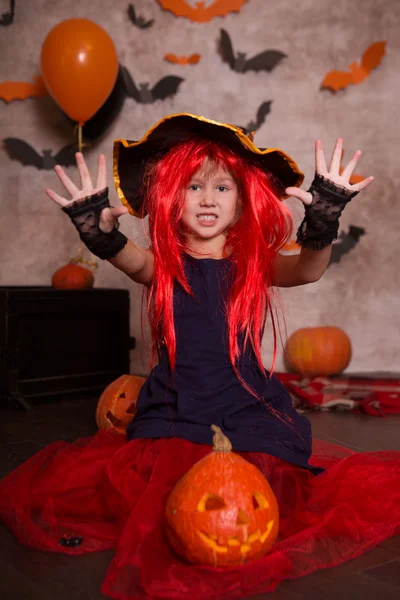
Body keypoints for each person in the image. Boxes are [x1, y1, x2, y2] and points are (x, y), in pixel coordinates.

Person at [0, 114, 398, 600]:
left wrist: (323, 223)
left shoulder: (254, 266)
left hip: (245, 408)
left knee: (262, 495)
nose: (207, 199)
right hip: (176, 410)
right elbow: (129, 257)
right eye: (193, 186)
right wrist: (97, 235)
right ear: (171, 195)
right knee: (164, 496)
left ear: (243, 198)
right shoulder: (162, 267)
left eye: (222, 188)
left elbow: (309, 270)